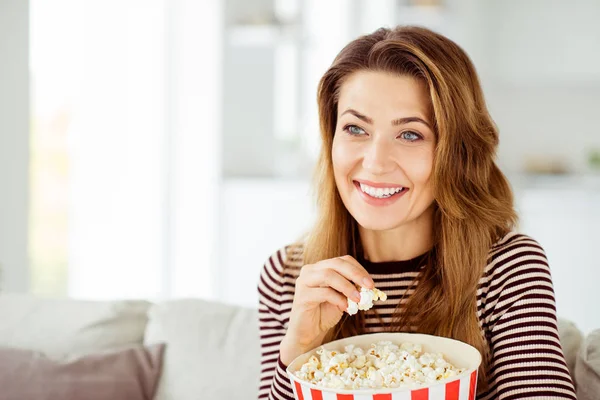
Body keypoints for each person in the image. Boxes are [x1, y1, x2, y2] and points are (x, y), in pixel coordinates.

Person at [257, 26, 576, 400]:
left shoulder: (506, 268)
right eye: (355, 128)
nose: (374, 164)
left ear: (456, 153)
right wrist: (298, 352)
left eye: (410, 134)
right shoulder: (287, 278)